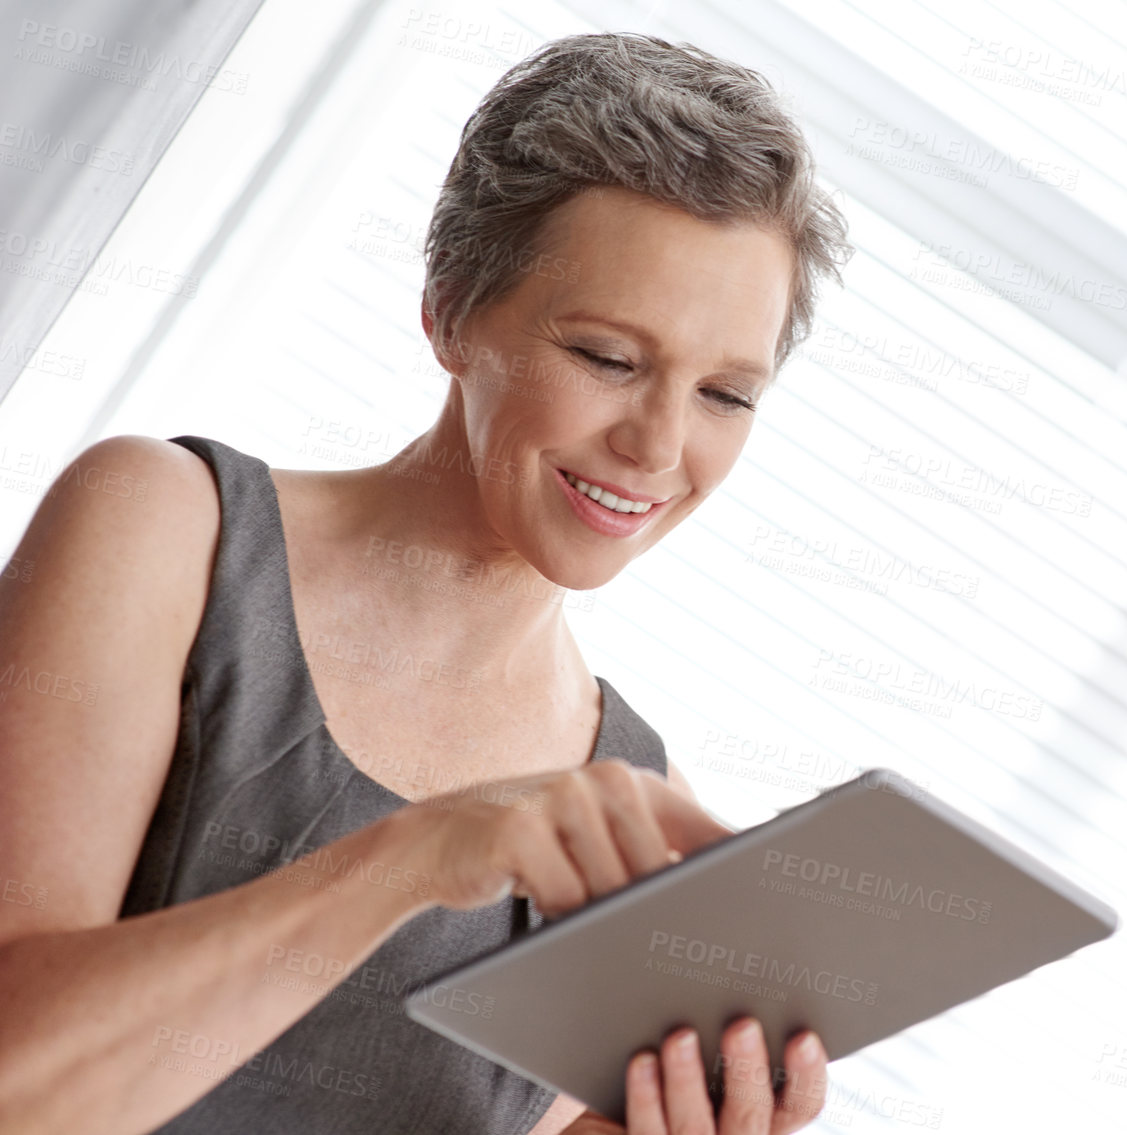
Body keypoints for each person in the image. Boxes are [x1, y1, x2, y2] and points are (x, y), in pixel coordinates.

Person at [0, 31, 851, 1135]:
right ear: (450, 309)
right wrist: (415, 856)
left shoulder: (634, 811)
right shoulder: (167, 532)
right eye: (607, 358)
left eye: (726, 395)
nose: (657, 444)